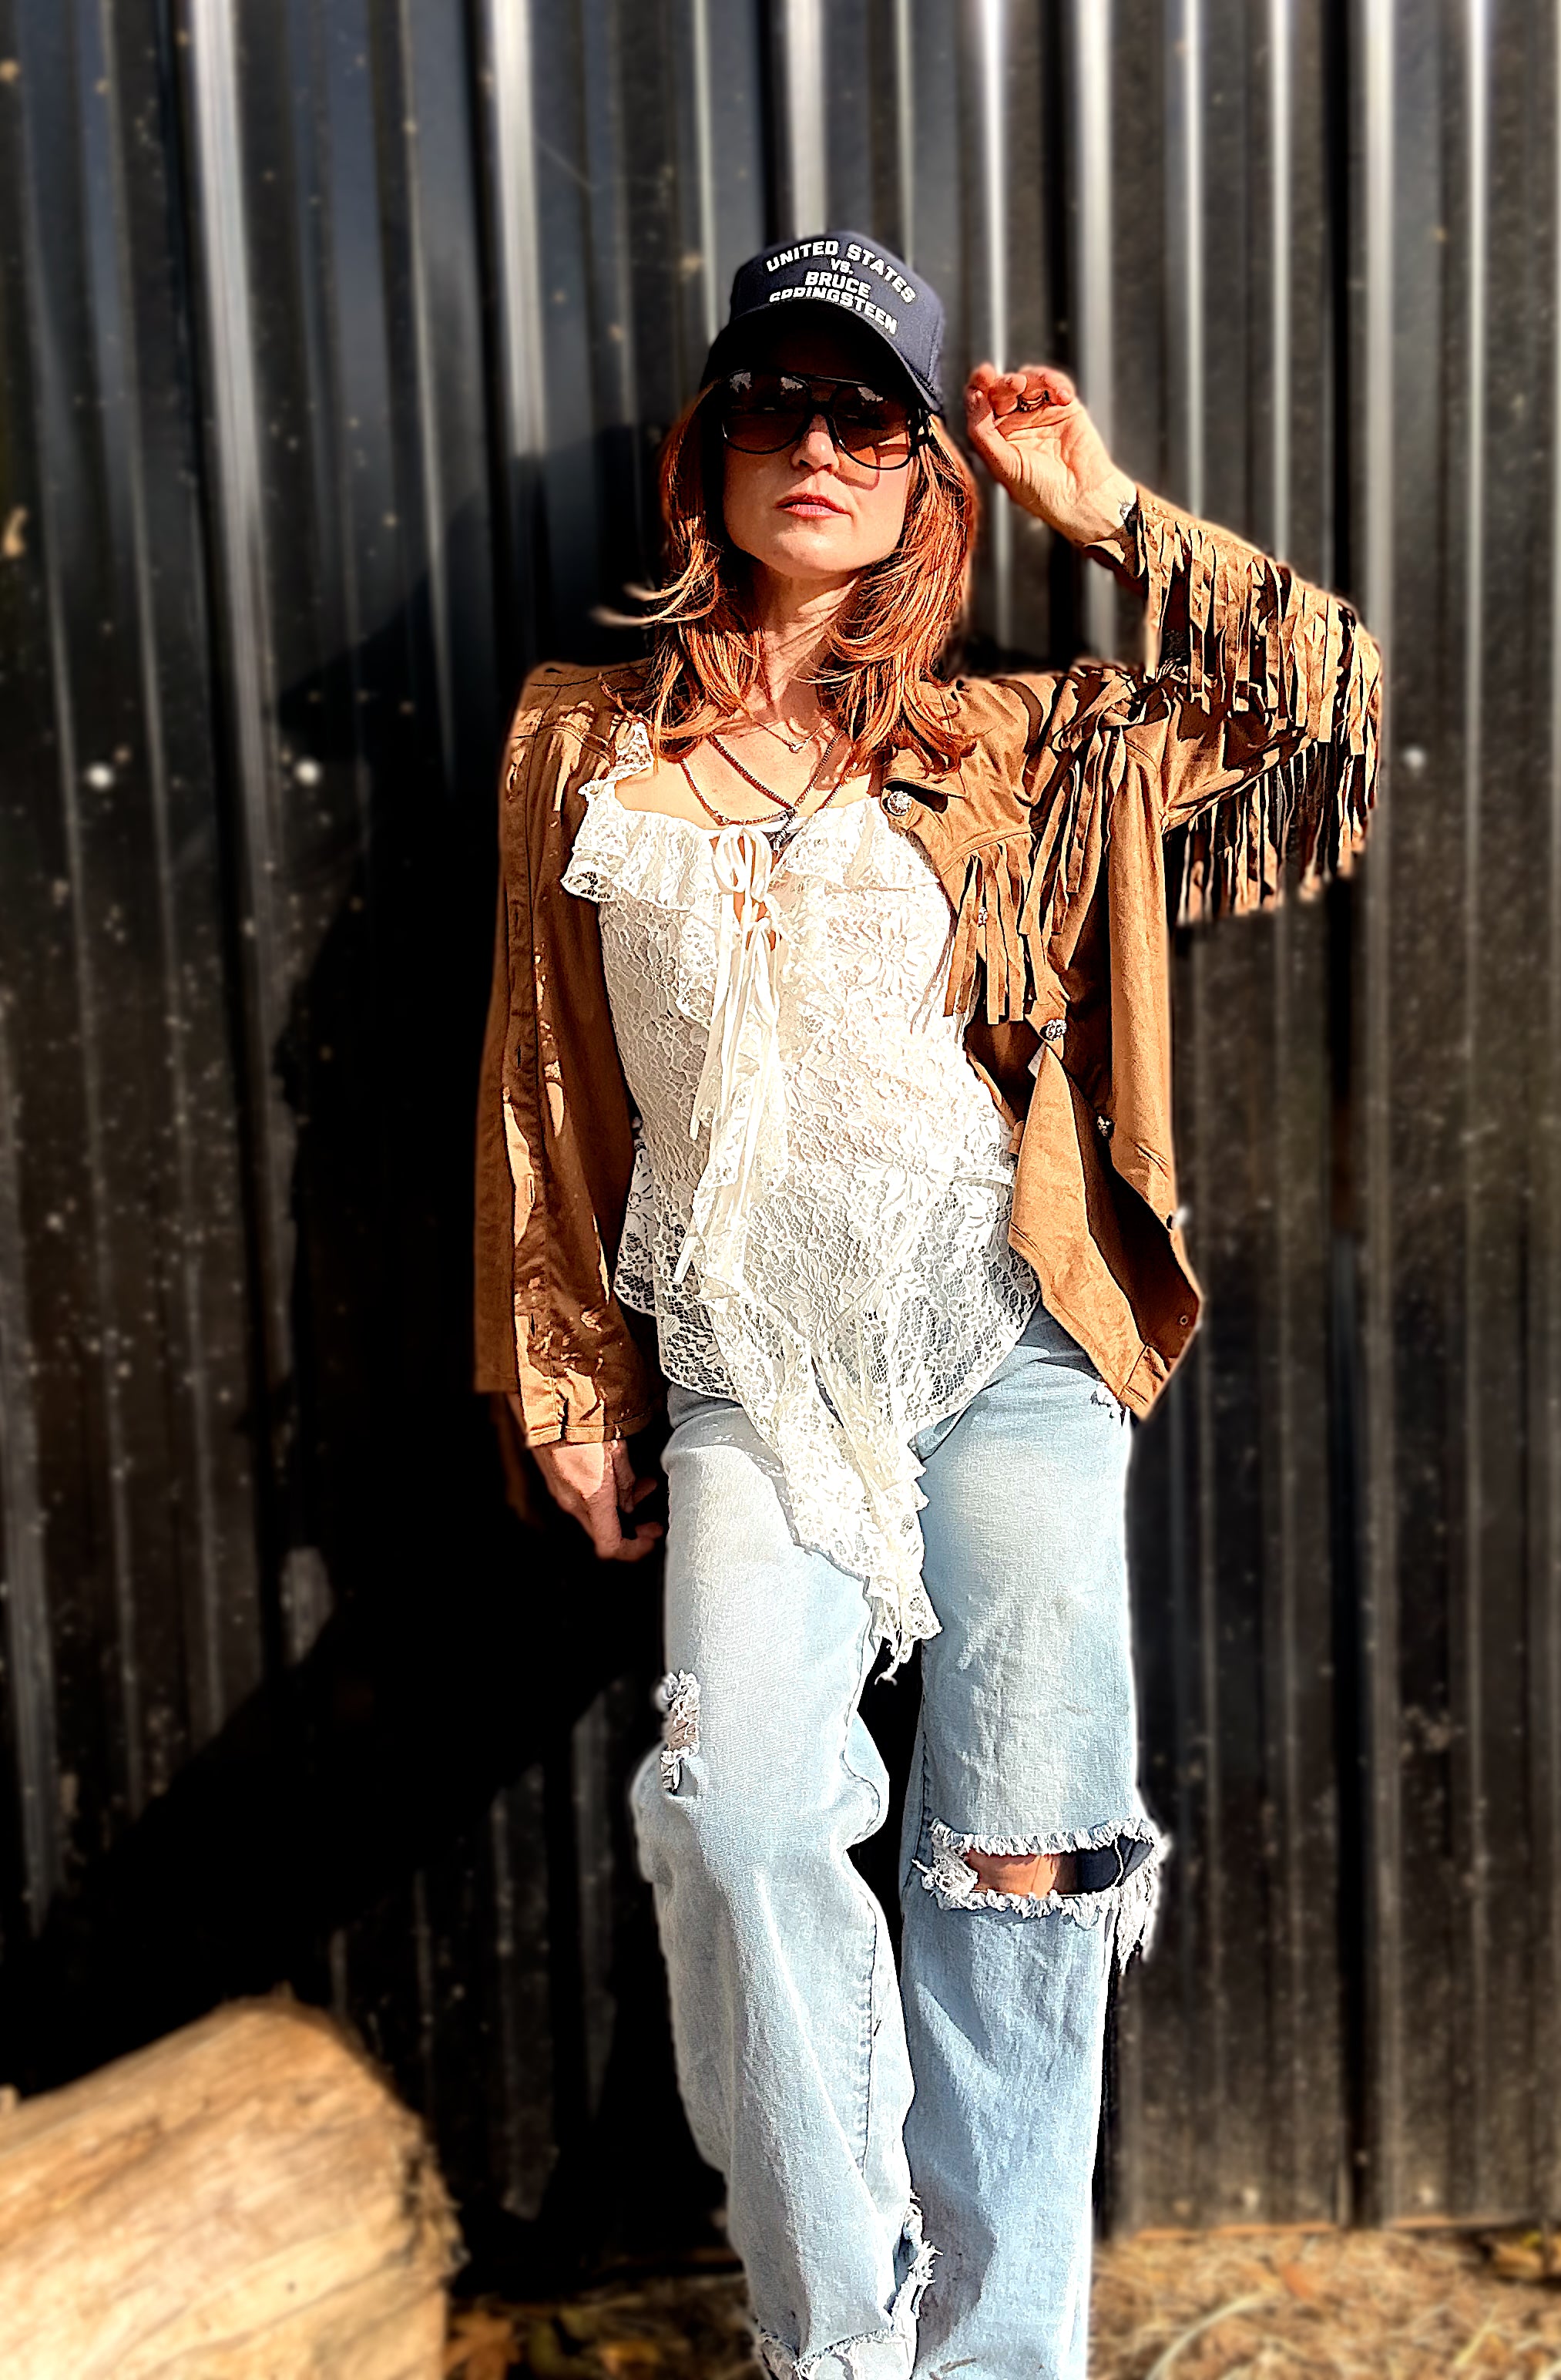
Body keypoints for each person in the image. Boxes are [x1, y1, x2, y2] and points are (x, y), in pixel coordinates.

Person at [475, 230, 1380, 2380]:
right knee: (742, 1815)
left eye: (867, 414)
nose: (817, 443)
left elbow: (1328, 714)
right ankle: (840, 2344)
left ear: (920, 480)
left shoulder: (1017, 742)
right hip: (748, 1368)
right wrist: (562, 1364)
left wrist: (1106, 511)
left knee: (1021, 1860)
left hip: (1012, 1353)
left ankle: (1005, 2354)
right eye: (774, 403)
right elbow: (540, 1065)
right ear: (708, 454)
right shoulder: (579, 739)